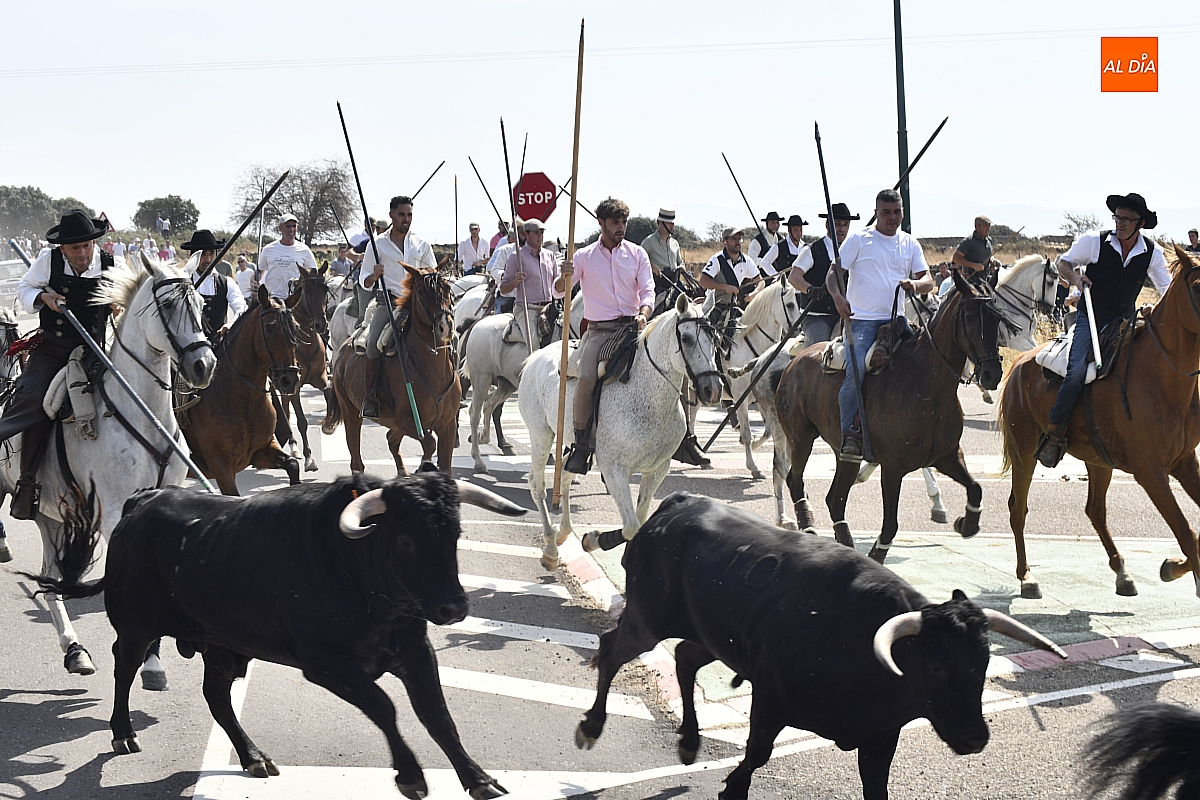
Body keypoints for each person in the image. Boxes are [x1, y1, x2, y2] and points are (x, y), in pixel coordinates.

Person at [0, 210, 131, 518]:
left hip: (96, 350)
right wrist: (43, 299)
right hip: (53, 348)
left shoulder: (114, 265)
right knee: (35, 400)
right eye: (75, 249)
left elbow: (130, 302)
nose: (82, 253)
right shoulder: (48, 261)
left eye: (86, 246)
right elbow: (24, 290)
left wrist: (118, 304)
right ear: (63, 249)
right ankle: (27, 482)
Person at [1035, 193, 1171, 468]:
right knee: (1076, 372)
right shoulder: (1094, 242)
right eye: (1117, 217)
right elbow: (1064, 262)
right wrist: (1075, 277)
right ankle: (1055, 430)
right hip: (1090, 316)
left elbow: (1167, 290)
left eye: (1126, 219)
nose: (1120, 223)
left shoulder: (1152, 253)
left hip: (1124, 319)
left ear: (1139, 223)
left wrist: (1152, 308)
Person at [827, 189, 935, 460]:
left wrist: (916, 284)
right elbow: (833, 274)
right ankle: (849, 436)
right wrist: (839, 299)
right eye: (886, 212)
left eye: (897, 212)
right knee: (857, 373)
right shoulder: (858, 240)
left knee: (925, 364)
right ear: (876, 212)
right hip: (861, 322)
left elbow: (929, 280)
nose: (892, 217)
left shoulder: (910, 243)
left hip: (896, 322)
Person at [556, 198, 654, 475]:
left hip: (635, 325)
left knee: (670, 357)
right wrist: (564, 276)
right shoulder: (584, 257)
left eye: (624, 222)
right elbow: (559, 292)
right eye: (615, 223)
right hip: (599, 331)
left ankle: (681, 437)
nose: (621, 227)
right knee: (587, 378)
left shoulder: (637, 254)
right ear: (601, 223)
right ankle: (580, 444)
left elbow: (647, 290)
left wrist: (645, 313)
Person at [358, 195, 437, 418]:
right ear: (391, 215)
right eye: (402, 215)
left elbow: (432, 274)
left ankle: (450, 390)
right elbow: (363, 282)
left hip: (418, 306)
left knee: (449, 337)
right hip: (389, 303)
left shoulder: (422, 244)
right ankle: (371, 396)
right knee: (373, 342)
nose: (406, 219)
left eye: (409, 215)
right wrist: (374, 275)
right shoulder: (378, 244)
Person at [791, 203, 858, 344]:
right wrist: (809, 290)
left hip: (846, 316)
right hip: (816, 317)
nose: (841, 229)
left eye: (845, 224)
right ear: (828, 225)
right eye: (837, 224)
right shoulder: (812, 250)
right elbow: (794, 276)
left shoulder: (852, 251)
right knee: (822, 350)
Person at [700, 227, 772, 351]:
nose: (738, 242)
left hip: (732, 305)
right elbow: (703, 281)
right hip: (714, 304)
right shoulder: (717, 260)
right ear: (725, 241)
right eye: (734, 239)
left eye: (739, 239)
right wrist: (724, 287)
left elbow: (760, 281)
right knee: (706, 335)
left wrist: (754, 294)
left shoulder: (746, 261)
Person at [501, 219, 561, 348]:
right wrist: (515, 281)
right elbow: (503, 289)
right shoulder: (516, 257)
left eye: (541, 233)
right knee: (534, 345)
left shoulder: (550, 256)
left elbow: (557, 284)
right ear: (525, 235)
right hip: (527, 309)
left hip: (549, 308)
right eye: (536, 233)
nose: (540, 236)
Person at [182, 230, 246, 338]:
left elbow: (241, 307)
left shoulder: (226, 283)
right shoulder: (182, 282)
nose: (208, 259)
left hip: (218, 348)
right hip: (188, 348)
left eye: (211, 254)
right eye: (203, 254)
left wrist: (232, 323)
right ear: (192, 255)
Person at [259, 213, 318, 300]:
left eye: (294, 226)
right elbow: (261, 270)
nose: (291, 229)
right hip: (273, 299)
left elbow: (313, 273)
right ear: (280, 228)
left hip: (295, 300)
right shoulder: (268, 249)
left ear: (297, 228)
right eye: (288, 226)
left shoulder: (304, 250)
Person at [641, 207, 687, 314]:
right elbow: (639, 261)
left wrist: (682, 267)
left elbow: (680, 262)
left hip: (675, 283)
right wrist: (651, 266)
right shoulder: (649, 242)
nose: (672, 226)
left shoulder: (675, 243)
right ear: (660, 223)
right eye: (670, 223)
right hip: (658, 285)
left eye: (673, 223)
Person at [487, 220, 524, 314]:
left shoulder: (534, 253)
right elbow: (494, 269)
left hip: (528, 299)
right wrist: (504, 276)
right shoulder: (505, 250)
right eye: (522, 234)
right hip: (507, 297)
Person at [760, 213, 808, 278]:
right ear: (789, 230)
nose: (799, 233)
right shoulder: (779, 246)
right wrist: (777, 276)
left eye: (800, 230)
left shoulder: (805, 247)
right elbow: (764, 263)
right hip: (785, 286)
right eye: (796, 230)